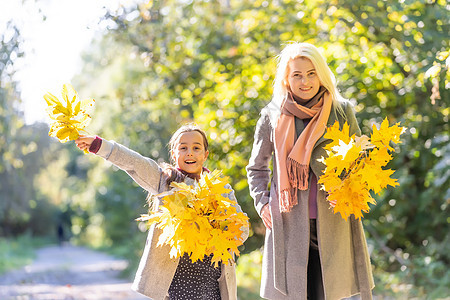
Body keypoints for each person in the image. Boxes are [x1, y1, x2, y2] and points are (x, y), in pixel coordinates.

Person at [246, 42, 374, 300]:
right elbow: (257, 168)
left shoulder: (341, 111)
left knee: (326, 293)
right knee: (294, 293)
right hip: (289, 222)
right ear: (286, 79)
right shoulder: (272, 115)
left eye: (311, 73)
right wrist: (262, 204)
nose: (305, 81)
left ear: (321, 74)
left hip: (333, 219)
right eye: (297, 75)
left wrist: (349, 189)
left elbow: (362, 161)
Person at [75, 123, 248, 300]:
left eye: (196, 148)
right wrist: (98, 144)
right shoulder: (165, 181)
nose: (189, 152)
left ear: (205, 155)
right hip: (175, 284)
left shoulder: (222, 189)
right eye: (183, 148)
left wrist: (215, 237)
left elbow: (242, 229)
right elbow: (133, 162)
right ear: (174, 154)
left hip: (212, 285)